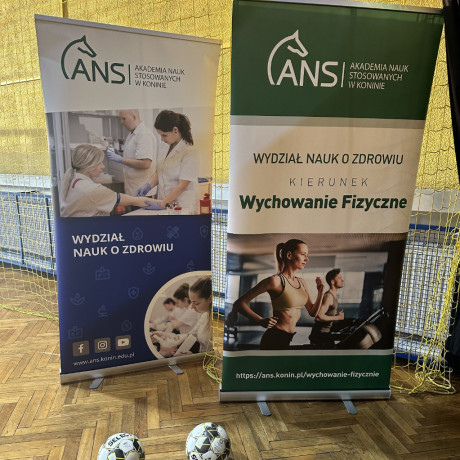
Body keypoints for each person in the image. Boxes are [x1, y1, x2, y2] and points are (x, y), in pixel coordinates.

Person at [228, 239, 324, 350]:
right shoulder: (275, 281)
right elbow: (239, 303)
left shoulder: (301, 282)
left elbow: (312, 312)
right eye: (303, 254)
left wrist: (320, 292)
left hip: (288, 338)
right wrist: (260, 320)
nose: (307, 259)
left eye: (307, 255)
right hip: (274, 338)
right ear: (289, 255)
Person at [60, 144, 159, 217]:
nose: (103, 166)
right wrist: (163, 203)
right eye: (100, 163)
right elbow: (133, 201)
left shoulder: (72, 179)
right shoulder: (92, 189)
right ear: (90, 166)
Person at [136, 110, 199, 213]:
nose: (162, 139)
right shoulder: (165, 146)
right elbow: (160, 171)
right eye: (160, 135)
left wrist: (162, 204)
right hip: (164, 203)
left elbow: (182, 186)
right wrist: (148, 185)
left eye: (164, 135)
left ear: (175, 130)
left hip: (182, 206)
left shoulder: (189, 152)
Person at [105, 109, 156, 196]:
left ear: (134, 117)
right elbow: (133, 157)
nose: (121, 122)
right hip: (133, 189)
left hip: (143, 192)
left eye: (124, 118)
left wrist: (121, 159)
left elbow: (145, 164)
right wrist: (119, 154)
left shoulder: (144, 135)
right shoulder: (132, 134)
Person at [309, 268, 345, 348]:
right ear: (332, 281)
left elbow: (327, 313)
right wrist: (337, 317)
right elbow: (318, 317)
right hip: (320, 335)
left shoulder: (333, 295)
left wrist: (335, 315)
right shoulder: (328, 296)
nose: (342, 280)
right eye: (339, 278)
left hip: (325, 333)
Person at [188, 276, 212, 353]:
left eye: (196, 303)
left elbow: (218, 354)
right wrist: (168, 336)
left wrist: (193, 357)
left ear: (211, 299)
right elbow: (192, 334)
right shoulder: (205, 315)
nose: (191, 307)